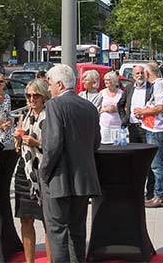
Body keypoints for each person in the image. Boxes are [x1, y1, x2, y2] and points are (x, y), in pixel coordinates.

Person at [40, 64, 101, 263]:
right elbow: (95, 143)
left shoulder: (54, 105)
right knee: (77, 231)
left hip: (59, 179)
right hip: (83, 180)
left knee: (57, 233)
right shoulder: (89, 106)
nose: (48, 89)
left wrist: (44, 172)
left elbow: (53, 144)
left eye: (49, 84)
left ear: (59, 84)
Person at [14, 80, 53, 263]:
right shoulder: (25, 115)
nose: (31, 99)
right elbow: (18, 150)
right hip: (26, 173)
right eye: (28, 95)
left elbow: (55, 147)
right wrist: (18, 139)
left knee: (47, 221)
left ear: (44, 96)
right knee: (25, 219)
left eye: (35, 95)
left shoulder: (50, 117)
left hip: (44, 173)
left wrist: (36, 143)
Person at [123, 64, 156, 200]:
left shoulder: (151, 88)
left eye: (142, 73)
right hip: (133, 128)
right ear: (133, 75)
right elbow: (121, 104)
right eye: (137, 73)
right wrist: (124, 118)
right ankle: (136, 191)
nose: (140, 76)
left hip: (147, 128)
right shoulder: (129, 88)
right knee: (135, 160)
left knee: (149, 161)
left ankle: (150, 193)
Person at [142, 62, 163, 208]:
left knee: (156, 164)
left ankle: (160, 195)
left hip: (156, 129)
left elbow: (159, 107)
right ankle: (158, 194)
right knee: (156, 163)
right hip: (153, 127)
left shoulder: (159, 85)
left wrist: (143, 112)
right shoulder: (159, 84)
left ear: (148, 73)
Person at [98, 71, 125, 144]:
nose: (106, 82)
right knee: (104, 145)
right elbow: (98, 109)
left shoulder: (121, 93)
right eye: (105, 80)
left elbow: (125, 108)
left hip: (117, 125)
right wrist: (106, 109)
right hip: (104, 126)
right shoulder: (101, 93)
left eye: (108, 80)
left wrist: (116, 109)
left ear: (114, 80)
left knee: (117, 146)